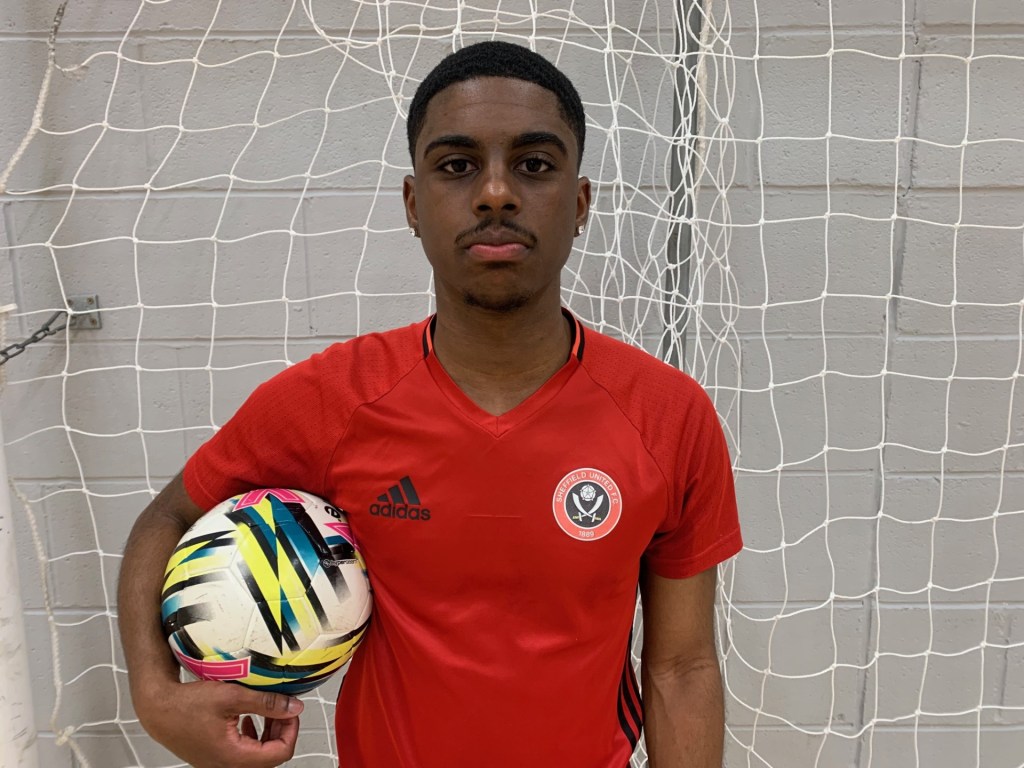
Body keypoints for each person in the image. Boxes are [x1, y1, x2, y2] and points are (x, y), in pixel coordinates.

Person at [118, 40, 742, 768]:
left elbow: (682, 667)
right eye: (457, 166)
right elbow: (167, 517)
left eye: (534, 164)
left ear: (579, 205)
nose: (497, 193)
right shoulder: (333, 398)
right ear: (414, 205)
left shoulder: (668, 415)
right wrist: (155, 695)